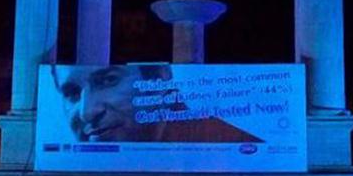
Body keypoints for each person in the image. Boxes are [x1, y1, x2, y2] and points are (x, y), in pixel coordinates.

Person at [51, 63, 261, 144]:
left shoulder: (235, 150)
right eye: (72, 93)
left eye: (109, 80)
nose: (87, 112)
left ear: (160, 78)